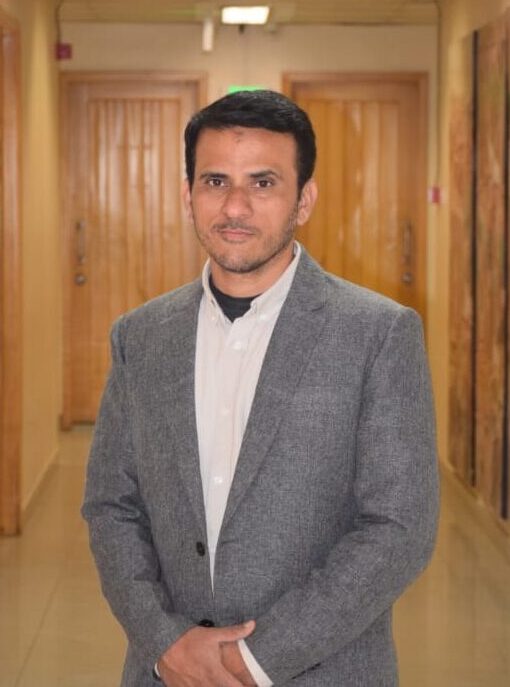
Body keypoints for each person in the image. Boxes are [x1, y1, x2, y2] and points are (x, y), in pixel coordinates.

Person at [82, 89, 439, 687]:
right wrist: (164, 641)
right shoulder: (140, 337)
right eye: (215, 181)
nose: (235, 207)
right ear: (187, 196)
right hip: (166, 671)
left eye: (263, 183)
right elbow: (111, 506)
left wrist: (253, 660)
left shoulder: (378, 334)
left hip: (323, 671)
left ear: (304, 200)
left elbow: (399, 528)